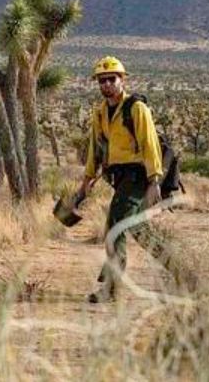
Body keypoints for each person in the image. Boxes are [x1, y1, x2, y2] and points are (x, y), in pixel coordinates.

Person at [81, 56, 175, 303]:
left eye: (111, 79)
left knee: (114, 228)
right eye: (102, 81)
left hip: (138, 176)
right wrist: (88, 178)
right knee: (138, 229)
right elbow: (96, 147)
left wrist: (155, 180)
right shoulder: (100, 113)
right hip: (119, 178)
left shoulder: (136, 108)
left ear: (122, 80)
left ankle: (111, 290)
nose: (107, 84)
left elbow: (150, 143)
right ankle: (182, 271)